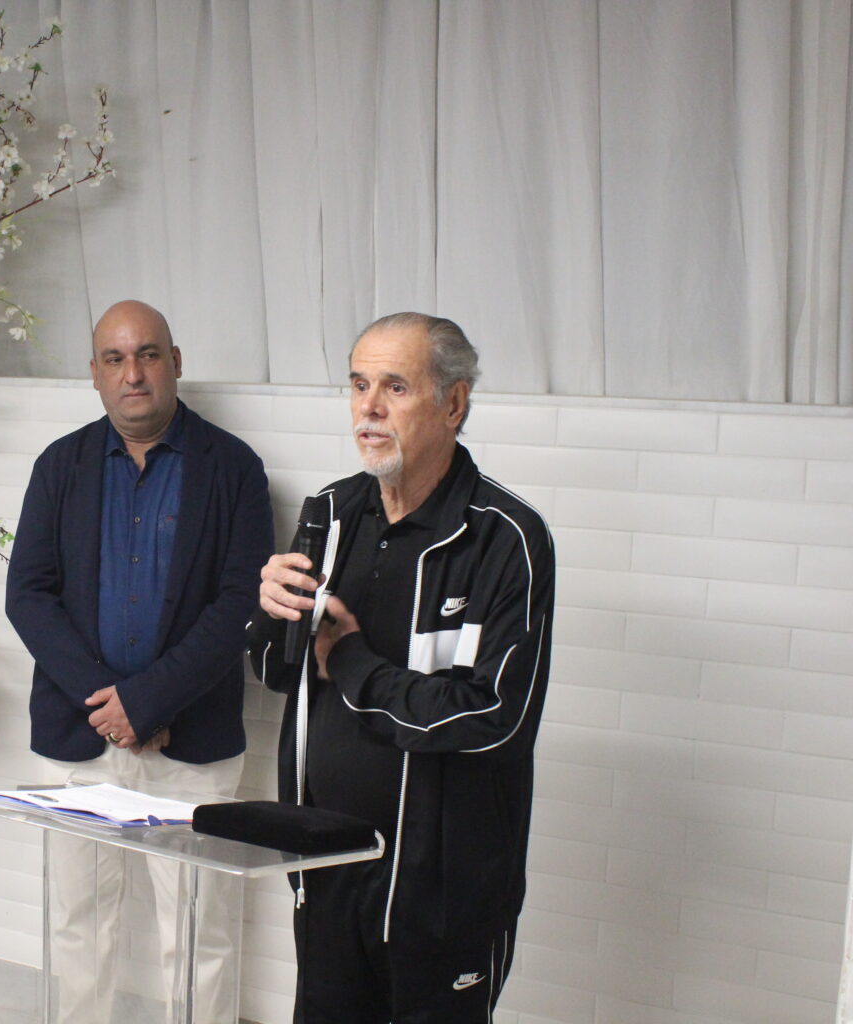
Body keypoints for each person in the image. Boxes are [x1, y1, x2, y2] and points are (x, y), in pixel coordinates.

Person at [249, 312, 554, 1023]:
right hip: (326, 866)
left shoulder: (506, 538)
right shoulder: (330, 513)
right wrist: (269, 613)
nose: (370, 409)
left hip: (444, 894)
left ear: (454, 404)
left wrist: (351, 660)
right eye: (359, 385)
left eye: (395, 387)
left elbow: (494, 717)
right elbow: (275, 672)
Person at [7, 299, 274, 1024]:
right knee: (79, 924)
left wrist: (149, 702)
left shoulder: (234, 469)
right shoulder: (59, 466)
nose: (133, 374)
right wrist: (112, 706)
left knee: (199, 930)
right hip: (81, 738)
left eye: (148, 355)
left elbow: (242, 604)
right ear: (94, 373)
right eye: (116, 359)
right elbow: (28, 594)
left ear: (175, 363)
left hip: (191, 745)